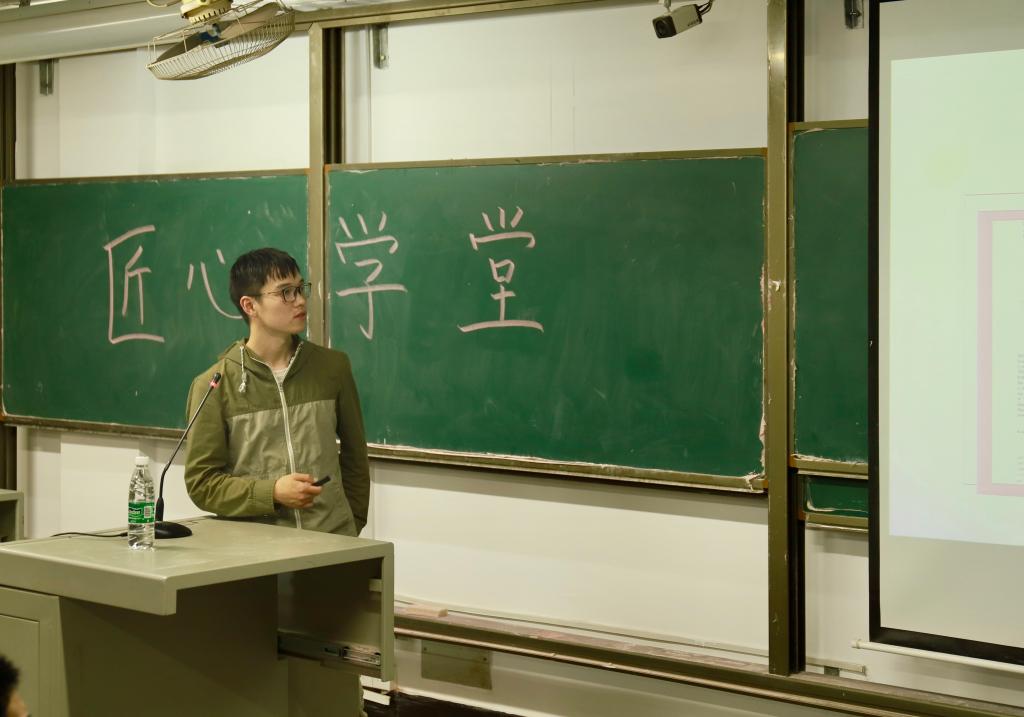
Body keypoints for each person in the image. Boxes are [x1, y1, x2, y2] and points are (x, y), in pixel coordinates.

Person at [184, 247, 370, 536]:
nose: (300, 300)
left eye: (300, 288)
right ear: (250, 305)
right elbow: (202, 484)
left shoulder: (333, 367)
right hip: (258, 548)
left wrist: (352, 522)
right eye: (285, 292)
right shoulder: (215, 384)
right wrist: (272, 492)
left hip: (331, 540)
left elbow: (355, 457)